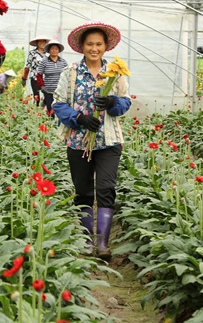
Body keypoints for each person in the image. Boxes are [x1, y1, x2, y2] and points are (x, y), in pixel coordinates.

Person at [52, 21, 131, 259]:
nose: (94, 48)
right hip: (78, 141)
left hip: (109, 141)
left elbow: (125, 101)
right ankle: (87, 242)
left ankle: (103, 244)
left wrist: (113, 103)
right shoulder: (72, 72)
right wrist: (79, 118)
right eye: (90, 44)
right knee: (83, 192)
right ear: (82, 47)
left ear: (106, 46)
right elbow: (58, 103)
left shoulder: (116, 72)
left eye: (98, 44)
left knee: (106, 189)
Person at [36, 40, 67, 118]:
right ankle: (51, 126)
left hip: (60, 90)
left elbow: (67, 74)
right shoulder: (44, 61)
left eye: (56, 49)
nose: (54, 50)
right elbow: (39, 75)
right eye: (52, 49)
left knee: (59, 109)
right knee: (51, 111)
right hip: (48, 90)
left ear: (58, 50)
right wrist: (41, 86)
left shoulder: (63, 61)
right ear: (49, 50)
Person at [22, 35, 50, 105]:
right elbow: (28, 65)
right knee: (36, 97)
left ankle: (44, 106)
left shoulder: (47, 54)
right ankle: (36, 113)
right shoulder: (32, 53)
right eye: (40, 41)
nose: (42, 43)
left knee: (48, 96)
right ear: (37, 43)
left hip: (45, 78)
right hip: (35, 77)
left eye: (43, 42)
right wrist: (24, 78)